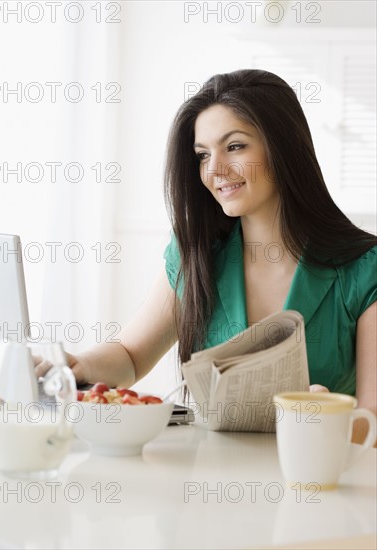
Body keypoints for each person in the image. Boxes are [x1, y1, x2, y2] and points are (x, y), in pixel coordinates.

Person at [36, 69, 377, 443]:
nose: (214, 169)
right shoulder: (195, 254)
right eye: (202, 154)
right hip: (207, 484)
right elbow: (131, 356)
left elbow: (372, 420)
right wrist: (80, 365)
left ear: (284, 146)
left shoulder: (365, 268)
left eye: (235, 146)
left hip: (315, 489)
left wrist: (328, 420)